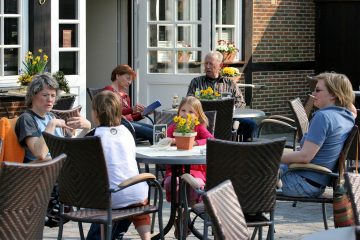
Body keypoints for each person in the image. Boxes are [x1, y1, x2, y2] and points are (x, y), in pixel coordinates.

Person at [86, 90, 151, 240]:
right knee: (138, 201)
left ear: (95, 114)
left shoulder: (94, 135)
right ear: (119, 113)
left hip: (110, 198)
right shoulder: (127, 131)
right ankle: (146, 238)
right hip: (138, 193)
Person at [280, 72, 355, 197]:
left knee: (257, 163)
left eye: (318, 90)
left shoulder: (323, 117)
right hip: (316, 183)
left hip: (301, 184)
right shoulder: (347, 116)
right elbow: (352, 109)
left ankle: (251, 208)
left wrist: (272, 157)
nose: (313, 94)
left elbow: (305, 157)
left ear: (334, 94)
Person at [163, 96, 214, 237]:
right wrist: (171, 141)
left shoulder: (198, 127)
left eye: (191, 112)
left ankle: (185, 216)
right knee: (171, 182)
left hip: (195, 169)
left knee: (193, 184)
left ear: (198, 115)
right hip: (175, 168)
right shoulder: (174, 127)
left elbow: (211, 139)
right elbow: (164, 140)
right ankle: (178, 214)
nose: (186, 114)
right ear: (178, 112)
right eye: (183, 110)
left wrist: (196, 142)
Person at [15, 73, 91, 163]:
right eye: (45, 95)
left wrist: (87, 128)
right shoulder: (27, 119)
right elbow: (40, 154)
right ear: (32, 96)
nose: (50, 100)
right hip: (40, 173)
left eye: (53, 96)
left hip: (62, 167)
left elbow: (70, 146)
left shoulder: (52, 116)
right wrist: (52, 124)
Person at [187, 51, 256, 141]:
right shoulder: (196, 82)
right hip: (203, 120)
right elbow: (189, 102)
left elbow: (241, 102)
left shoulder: (229, 83)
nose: (207, 66)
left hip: (227, 120)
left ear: (220, 65)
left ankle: (242, 150)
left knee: (250, 124)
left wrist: (230, 110)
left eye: (211, 64)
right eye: (206, 63)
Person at [104, 64, 154, 144]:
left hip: (129, 124)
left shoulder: (125, 95)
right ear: (117, 76)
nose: (130, 82)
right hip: (118, 126)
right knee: (154, 133)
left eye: (131, 80)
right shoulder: (109, 91)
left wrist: (142, 114)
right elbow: (111, 113)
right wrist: (131, 109)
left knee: (156, 130)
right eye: (128, 78)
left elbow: (130, 118)